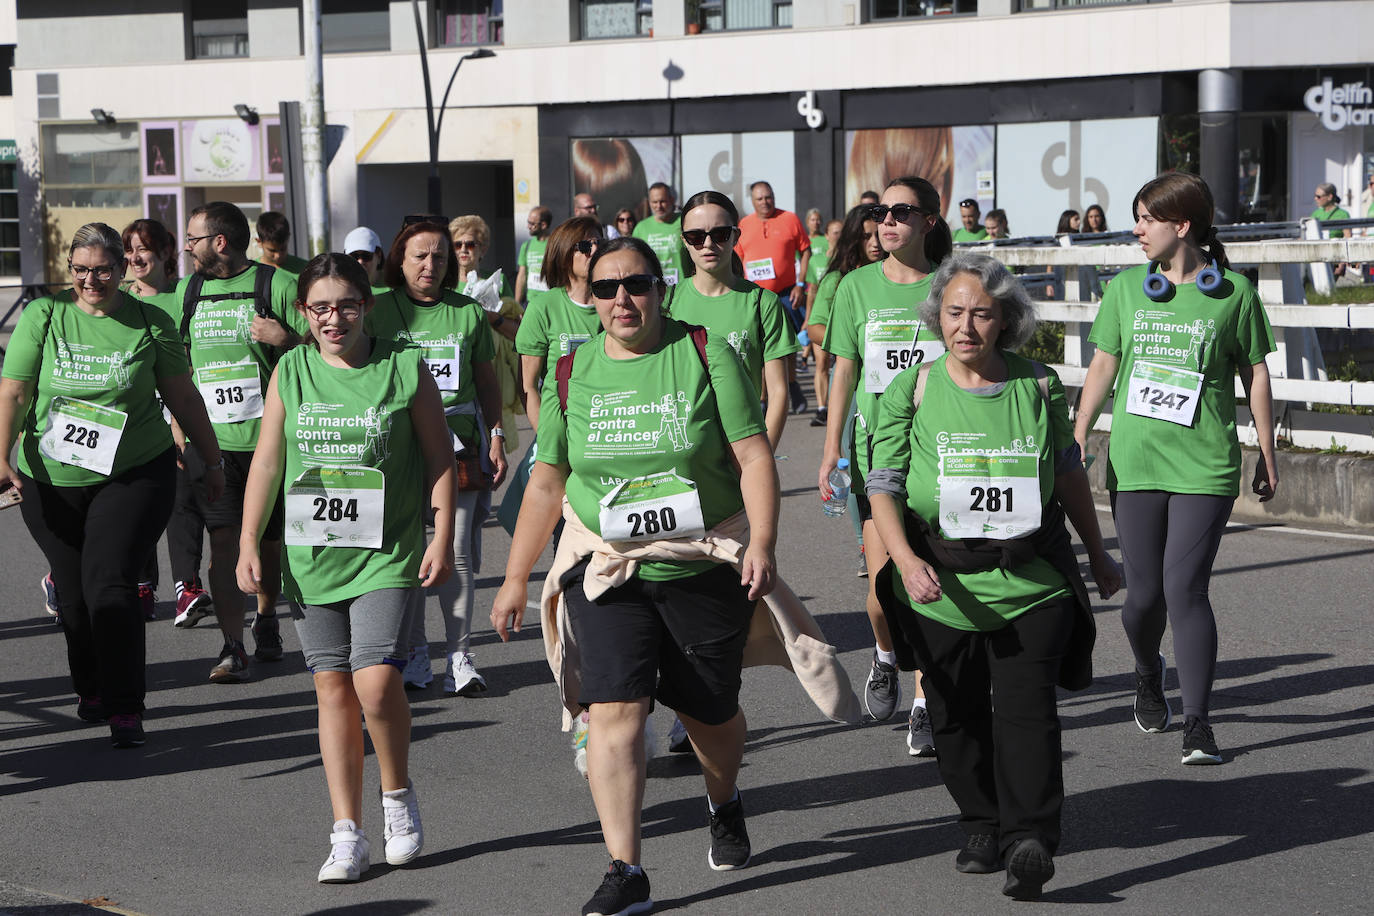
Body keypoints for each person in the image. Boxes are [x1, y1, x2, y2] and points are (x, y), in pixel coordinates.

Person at [491, 236, 779, 916]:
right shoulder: (572, 370)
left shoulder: (705, 353)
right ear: (587, 298)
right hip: (607, 565)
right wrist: (514, 577)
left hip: (700, 559)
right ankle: (626, 868)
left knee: (710, 713)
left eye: (637, 284)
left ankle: (724, 798)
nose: (622, 298)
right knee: (613, 710)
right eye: (605, 288)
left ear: (660, 287)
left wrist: (762, 541)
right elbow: (547, 481)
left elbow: (754, 455)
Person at [867, 250, 1122, 901]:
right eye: (954, 312)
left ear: (1006, 319)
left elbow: (1067, 473)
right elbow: (885, 485)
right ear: (937, 316)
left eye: (982, 314)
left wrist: (1095, 552)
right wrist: (904, 559)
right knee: (954, 714)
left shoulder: (1037, 386)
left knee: (1026, 710)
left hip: (1030, 581)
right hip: (941, 585)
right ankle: (981, 822)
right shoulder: (914, 388)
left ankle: (1030, 837)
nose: (966, 327)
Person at [235, 253, 456, 883]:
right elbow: (269, 464)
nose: (335, 319)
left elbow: (440, 457)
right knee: (330, 687)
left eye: (347, 305)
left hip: (386, 552)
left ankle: (396, 796)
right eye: (321, 308)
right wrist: (251, 541)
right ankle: (346, 833)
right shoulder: (291, 370)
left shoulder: (403, 367)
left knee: (377, 682)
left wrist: (440, 534)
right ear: (304, 313)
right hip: (313, 554)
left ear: (369, 305)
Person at [1075, 171, 1278, 766]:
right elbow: (1103, 366)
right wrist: (1079, 431)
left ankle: (1198, 723)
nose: (1137, 230)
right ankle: (1146, 669)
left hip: (1205, 465)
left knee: (1185, 590)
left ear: (1181, 226)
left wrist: (1267, 452)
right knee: (1142, 599)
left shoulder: (1233, 294)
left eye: (1146, 219)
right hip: (1135, 463)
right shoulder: (1125, 291)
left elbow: (1256, 373)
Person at [0, 223, 224, 747]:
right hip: (51, 476)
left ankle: (126, 706)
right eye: (80, 270)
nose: (91, 280)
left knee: (110, 585)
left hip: (133, 472)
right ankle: (91, 689)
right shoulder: (45, 316)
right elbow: (13, 391)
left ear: (123, 268)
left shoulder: (150, 321)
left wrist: (210, 462)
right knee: (74, 594)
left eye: (102, 269)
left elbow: (183, 396)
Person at [819, 176, 951, 756]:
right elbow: (843, 368)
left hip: (943, 454)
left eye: (902, 211)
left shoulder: (953, 284)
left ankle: (925, 700)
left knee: (929, 583)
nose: (887, 221)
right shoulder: (856, 286)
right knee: (881, 590)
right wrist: (831, 448)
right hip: (877, 453)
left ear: (929, 219)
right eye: (879, 212)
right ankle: (886, 654)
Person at [368, 217, 508, 695]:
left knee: (458, 552)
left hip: (458, 443)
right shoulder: (378, 309)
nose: (431, 265)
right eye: (420, 256)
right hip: (396, 448)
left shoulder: (467, 312)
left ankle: (460, 656)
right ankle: (414, 656)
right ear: (399, 261)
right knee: (406, 554)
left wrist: (496, 434)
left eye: (440, 257)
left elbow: (487, 381)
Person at [176, 201, 305, 681]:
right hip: (212, 448)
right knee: (224, 542)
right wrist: (177, 430)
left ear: (220, 242)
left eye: (193, 239)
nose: (187, 247)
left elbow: (334, 347)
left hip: (270, 445)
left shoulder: (277, 284)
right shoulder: (188, 293)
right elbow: (177, 367)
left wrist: (286, 339)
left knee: (269, 544)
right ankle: (232, 645)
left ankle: (267, 616)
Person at [122, 218, 208, 623]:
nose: (136, 257)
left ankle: (186, 588)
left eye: (144, 249)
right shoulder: (119, 299)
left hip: (179, 410)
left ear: (164, 254)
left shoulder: (183, 297)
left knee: (182, 499)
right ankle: (141, 584)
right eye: (129, 249)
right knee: (135, 505)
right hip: (131, 420)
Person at [666, 190, 798, 450]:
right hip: (680, 450)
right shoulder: (666, 303)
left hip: (744, 448)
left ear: (735, 236)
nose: (707, 244)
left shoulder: (763, 303)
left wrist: (761, 458)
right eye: (695, 236)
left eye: (720, 234)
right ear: (684, 240)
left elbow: (779, 392)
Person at [809, 206, 884, 564]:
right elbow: (815, 327)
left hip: (897, 389)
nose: (874, 242)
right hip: (855, 384)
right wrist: (850, 344)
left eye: (877, 234)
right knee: (855, 465)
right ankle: (863, 542)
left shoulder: (894, 275)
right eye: (865, 235)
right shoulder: (837, 281)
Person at [515, 216, 606, 433]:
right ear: (564, 254)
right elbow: (527, 387)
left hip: (610, 424)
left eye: (600, 244)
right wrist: (546, 438)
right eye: (584, 246)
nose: (594, 250)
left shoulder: (617, 301)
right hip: (561, 428)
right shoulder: (542, 307)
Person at [735, 180, 812, 414]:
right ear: (752, 201)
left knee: (787, 346)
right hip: (755, 296)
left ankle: (793, 386)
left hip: (787, 292)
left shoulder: (790, 219)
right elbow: (737, 260)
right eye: (760, 198)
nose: (765, 202)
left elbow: (805, 250)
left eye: (769, 197)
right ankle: (762, 399)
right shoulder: (744, 225)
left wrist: (800, 283)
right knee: (758, 347)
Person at [450, 214, 524, 450]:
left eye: (470, 244)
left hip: (490, 372)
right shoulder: (443, 285)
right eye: (457, 244)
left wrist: (493, 319)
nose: (464, 250)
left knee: (487, 454)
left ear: (482, 249)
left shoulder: (498, 281)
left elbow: (517, 332)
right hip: (455, 379)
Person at [804, 218, 843, 425]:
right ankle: (822, 408)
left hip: (841, 320)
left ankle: (838, 406)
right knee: (821, 363)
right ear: (826, 235)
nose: (838, 236)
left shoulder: (847, 261)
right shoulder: (816, 261)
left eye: (841, 232)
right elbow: (812, 292)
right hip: (821, 317)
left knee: (841, 366)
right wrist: (807, 319)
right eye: (834, 232)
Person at [631, 182, 687, 285]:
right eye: (654, 202)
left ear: (672, 200)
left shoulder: (684, 221)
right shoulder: (641, 228)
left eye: (662, 201)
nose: (658, 206)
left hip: (682, 287)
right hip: (653, 290)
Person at [516, 206, 553, 305]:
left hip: (550, 301)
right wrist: (517, 304)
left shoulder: (555, 244)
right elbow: (522, 275)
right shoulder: (526, 246)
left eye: (532, 224)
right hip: (530, 302)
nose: (528, 226)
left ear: (544, 225)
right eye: (528, 222)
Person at [256, 211, 310, 276]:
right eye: (272, 250)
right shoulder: (253, 272)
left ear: (288, 238)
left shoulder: (307, 269)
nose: (278, 255)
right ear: (259, 242)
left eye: (283, 249)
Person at [343, 226, 387, 293]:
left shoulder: (396, 288)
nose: (360, 262)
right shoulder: (340, 290)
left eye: (366, 255)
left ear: (379, 256)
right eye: (354, 256)